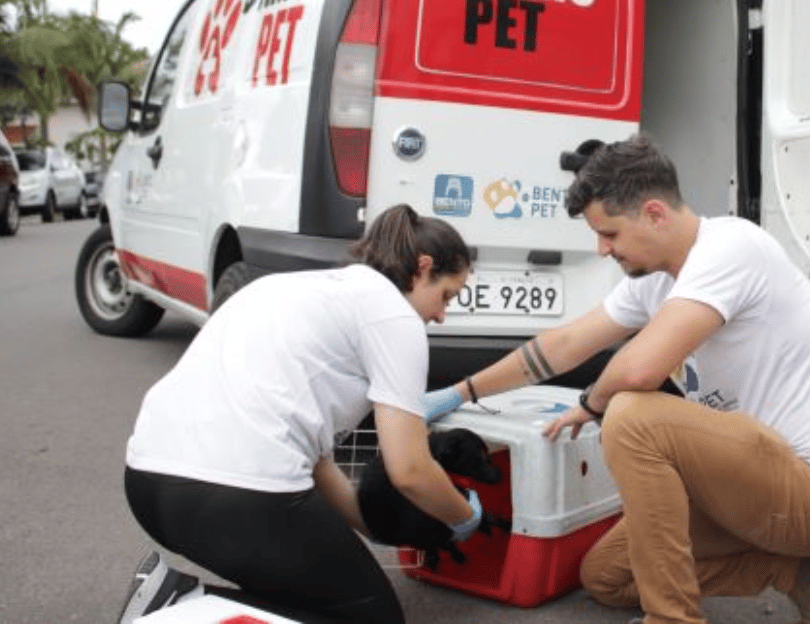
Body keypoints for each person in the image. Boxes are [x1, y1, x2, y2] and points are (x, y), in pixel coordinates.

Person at [423, 133, 810, 624]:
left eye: (609, 234)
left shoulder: (731, 247)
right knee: (607, 576)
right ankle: (788, 573)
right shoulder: (655, 280)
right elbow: (561, 347)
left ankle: (671, 619)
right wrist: (459, 392)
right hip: (748, 490)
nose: (601, 249)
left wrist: (591, 402)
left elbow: (639, 370)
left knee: (630, 413)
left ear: (654, 213)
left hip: (798, 483)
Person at [116, 203, 484, 624]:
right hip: (236, 496)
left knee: (310, 587)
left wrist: (371, 528)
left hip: (148, 481)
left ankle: (172, 597)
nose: (441, 314)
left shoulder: (291, 288)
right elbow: (410, 470)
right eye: (446, 296)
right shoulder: (394, 317)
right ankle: (176, 604)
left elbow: (314, 460)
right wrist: (462, 516)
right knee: (370, 619)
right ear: (422, 268)